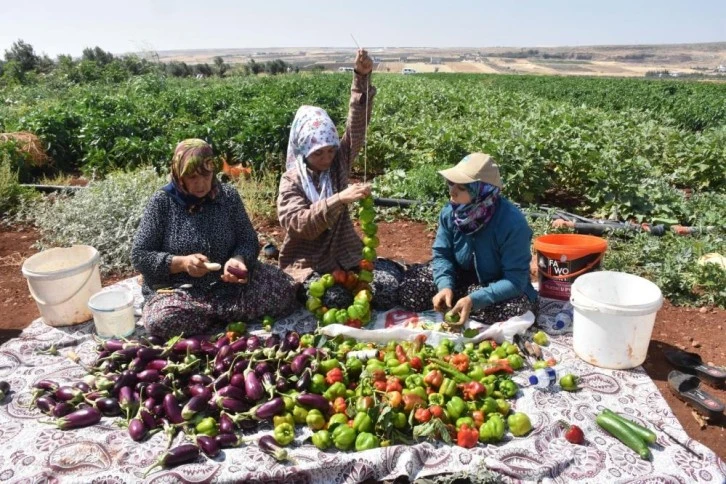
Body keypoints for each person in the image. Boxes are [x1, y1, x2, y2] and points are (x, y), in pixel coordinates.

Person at [132, 139, 297, 339]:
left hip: (229, 287)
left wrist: (239, 259)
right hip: (182, 292)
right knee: (161, 320)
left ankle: (210, 317)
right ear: (179, 174)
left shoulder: (227, 196)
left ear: (214, 171)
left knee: (285, 290)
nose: (200, 184)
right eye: (192, 177)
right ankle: (225, 315)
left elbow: (248, 239)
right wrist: (182, 263)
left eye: (206, 175)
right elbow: (140, 255)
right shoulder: (162, 203)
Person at [278, 49, 397, 305]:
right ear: (304, 150)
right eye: (319, 153)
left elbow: (356, 126)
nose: (327, 158)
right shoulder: (292, 180)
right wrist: (339, 199)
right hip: (309, 263)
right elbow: (298, 224)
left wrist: (361, 78)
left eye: (331, 150)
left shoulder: (338, 163)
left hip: (346, 255)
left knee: (387, 289)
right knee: (335, 298)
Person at [398, 153, 538, 323]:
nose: (452, 191)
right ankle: (459, 301)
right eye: (451, 183)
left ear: (482, 191)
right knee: (410, 291)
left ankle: (466, 303)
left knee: (512, 308)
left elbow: (515, 280)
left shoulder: (512, 224)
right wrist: (445, 285)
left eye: (462, 188)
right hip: (460, 279)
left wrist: (475, 299)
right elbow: (442, 254)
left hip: (496, 284)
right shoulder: (451, 212)